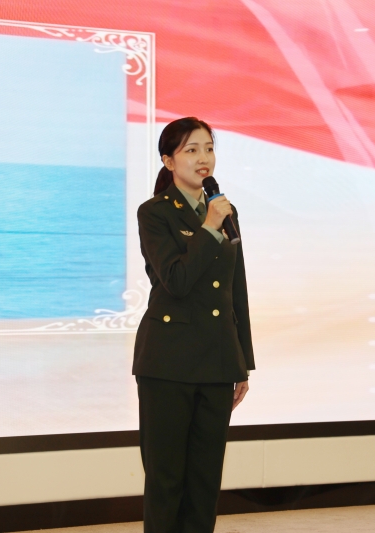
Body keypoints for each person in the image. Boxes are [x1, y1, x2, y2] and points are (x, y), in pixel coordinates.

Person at [133, 117, 255, 533]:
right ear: (168, 161)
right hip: (167, 364)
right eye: (191, 150)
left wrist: (242, 362)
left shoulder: (224, 211)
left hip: (217, 362)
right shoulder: (154, 213)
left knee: (205, 483)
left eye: (208, 148)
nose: (203, 158)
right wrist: (208, 228)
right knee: (167, 480)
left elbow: (235, 292)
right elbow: (177, 280)